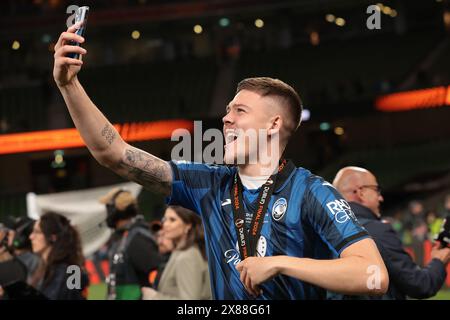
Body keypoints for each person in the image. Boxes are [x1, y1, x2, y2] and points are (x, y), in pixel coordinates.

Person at [53, 24, 388, 299]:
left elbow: (373, 276)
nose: (226, 119)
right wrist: (69, 86)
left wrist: (282, 264)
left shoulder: (312, 192)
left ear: (273, 125)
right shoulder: (208, 183)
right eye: (227, 110)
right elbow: (113, 154)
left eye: (239, 111)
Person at [333, 166, 450, 299]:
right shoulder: (376, 231)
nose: (381, 198)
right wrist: (439, 261)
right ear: (361, 193)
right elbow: (420, 285)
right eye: (376, 190)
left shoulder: (322, 232)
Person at [99, 188, 161, 300]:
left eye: (108, 208)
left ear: (115, 210)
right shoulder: (125, 236)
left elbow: (157, 275)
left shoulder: (137, 239)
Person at [142, 205, 211, 300]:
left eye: (172, 220)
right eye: (165, 219)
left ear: (188, 225)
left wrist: (154, 297)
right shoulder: (182, 252)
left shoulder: (188, 256)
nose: (165, 224)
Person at [29, 211, 89, 300]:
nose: (31, 237)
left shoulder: (72, 271)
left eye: (37, 232)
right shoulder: (43, 269)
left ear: (52, 237)